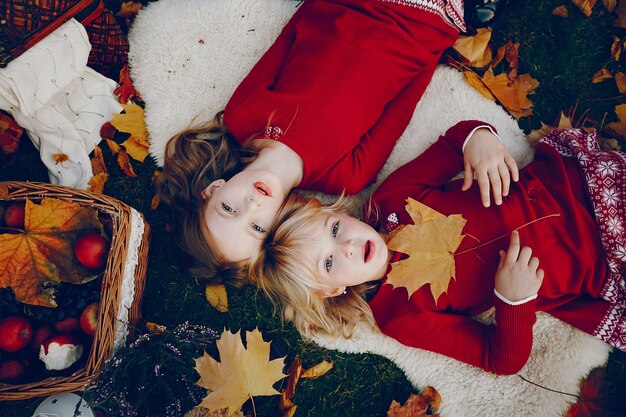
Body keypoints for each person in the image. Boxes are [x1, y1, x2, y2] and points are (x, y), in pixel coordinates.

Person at [248, 120, 626, 375]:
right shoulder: (401, 317)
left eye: (333, 229)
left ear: (337, 212)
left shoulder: (390, 201)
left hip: (582, 186)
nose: (346, 245)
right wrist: (514, 301)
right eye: (328, 262)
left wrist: (479, 140)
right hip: (597, 262)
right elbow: (501, 359)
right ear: (331, 291)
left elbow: (451, 144)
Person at [156, 0, 466, 285]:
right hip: (421, 23)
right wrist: (438, 39)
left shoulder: (243, 115)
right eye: (256, 227)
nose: (251, 206)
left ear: (213, 189)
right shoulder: (346, 175)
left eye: (228, 208)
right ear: (276, 228)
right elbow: (401, 106)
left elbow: (287, 39)